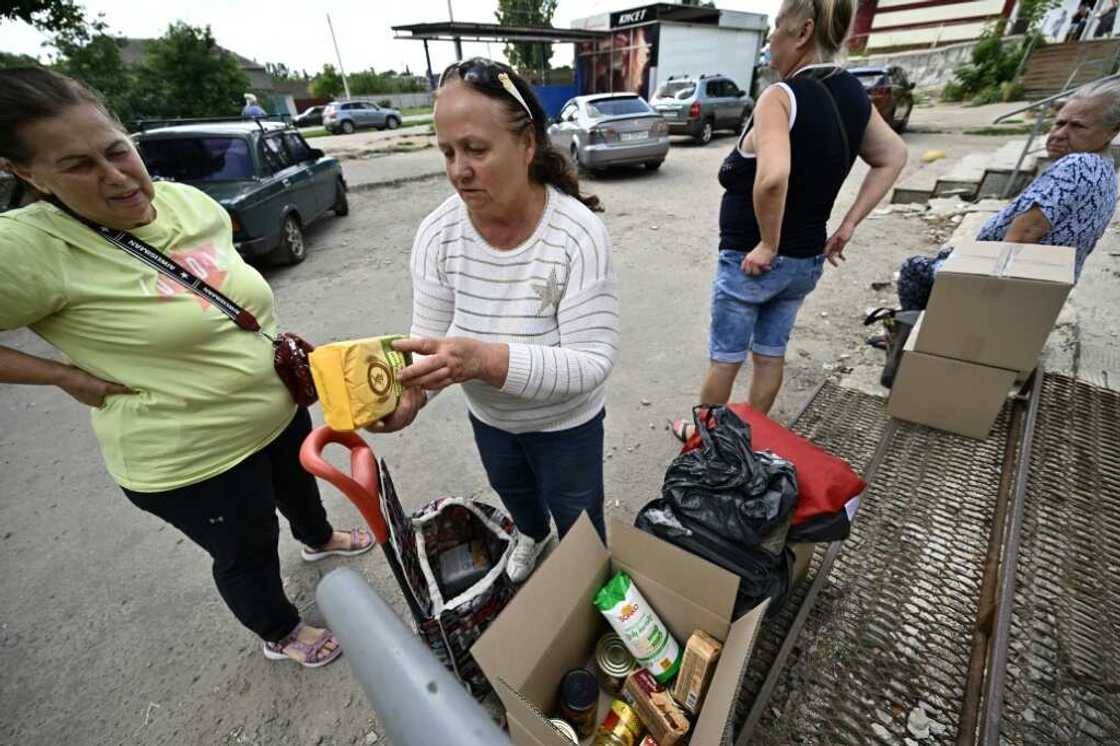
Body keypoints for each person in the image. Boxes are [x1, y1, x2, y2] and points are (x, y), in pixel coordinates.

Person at [0, 67, 373, 669]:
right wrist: (64, 376)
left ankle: (318, 538)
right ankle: (278, 629)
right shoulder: (29, 248)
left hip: (276, 409)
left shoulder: (187, 202)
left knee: (299, 489)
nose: (117, 177)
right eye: (78, 166)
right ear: (25, 174)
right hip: (194, 459)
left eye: (117, 150)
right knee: (247, 548)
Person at [374, 58, 618, 583]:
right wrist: (411, 396)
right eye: (447, 152)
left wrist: (485, 359)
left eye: (476, 150)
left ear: (527, 143)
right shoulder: (438, 236)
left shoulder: (576, 235)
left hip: (566, 426)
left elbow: (592, 362)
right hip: (493, 421)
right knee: (516, 494)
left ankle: (587, 582)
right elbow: (430, 348)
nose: (459, 169)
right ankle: (531, 533)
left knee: (579, 518)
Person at [671, 0, 907, 441]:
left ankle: (705, 445)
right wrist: (848, 224)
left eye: (776, 28)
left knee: (726, 358)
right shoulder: (854, 95)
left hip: (753, 261)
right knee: (770, 354)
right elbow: (893, 156)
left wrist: (768, 243)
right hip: (805, 261)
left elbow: (773, 175)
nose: (770, 41)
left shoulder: (780, 96)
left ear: (803, 32)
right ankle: (746, 436)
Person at [896, 79, 1120, 312]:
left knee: (914, 269)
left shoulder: (1078, 165)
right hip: (1045, 284)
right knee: (947, 255)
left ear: (1113, 130)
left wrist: (987, 295)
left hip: (1015, 280)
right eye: (1059, 123)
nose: (1059, 134)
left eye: (1078, 127)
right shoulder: (1105, 170)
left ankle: (912, 333)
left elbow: (1025, 233)